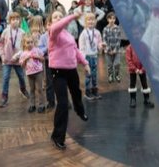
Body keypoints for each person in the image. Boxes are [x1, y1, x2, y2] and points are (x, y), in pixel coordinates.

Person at [49, 8, 89, 151]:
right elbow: (56, 26)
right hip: (58, 72)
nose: (58, 18)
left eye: (61, 16)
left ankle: (80, 110)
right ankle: (57, 136)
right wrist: (72, 16)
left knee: (77, 93)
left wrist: (85, 63)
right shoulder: (53, 33)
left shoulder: (69, 35)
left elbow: (76, 50)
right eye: (55, 17)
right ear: (51, 21)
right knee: (63, 104)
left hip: (71, 70)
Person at [0, 11, 28, 107]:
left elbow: (25, 47)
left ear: (20, 21)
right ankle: (4, 96)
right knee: (6, 78)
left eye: (17, 19)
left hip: (18, 60)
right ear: (9, 21)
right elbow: (0, 44)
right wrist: (2, 55)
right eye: (13, 19)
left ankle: (23, 89)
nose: (15, 21)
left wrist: (20, 56)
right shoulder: (5, 31)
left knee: (21, 77)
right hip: (7, 60)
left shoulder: (23, 33)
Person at [12, 35, 46, 113]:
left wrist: (37, 57)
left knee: (40, 89)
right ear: (24, 44)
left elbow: (43, 59)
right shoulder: (23, 53)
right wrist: (25, 59)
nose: (30, 44)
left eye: (31, 42)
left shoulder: (37, 50)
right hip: (29, 73)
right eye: (28, 42)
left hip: (38, 72)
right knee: (31, 89)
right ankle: (32, 105)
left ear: (33, 43)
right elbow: (22, 65)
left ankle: (41, 105)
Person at [78, 12, 103, 101]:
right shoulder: (83, 34)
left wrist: (101, 46)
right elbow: (81, 47)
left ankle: (94, 90)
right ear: (85, 22)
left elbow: (99, 42)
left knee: (94, 74)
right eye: (89, 20)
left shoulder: (97, 32)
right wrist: (83, 59)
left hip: (94, 56)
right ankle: (88, 92)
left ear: (95, 21)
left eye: (92, 19)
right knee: (88, 75)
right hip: (87, 57)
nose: (91, 21)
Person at [126, 41, 155, 109]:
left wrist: (142, 69)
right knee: (132, 84)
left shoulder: (144, 47)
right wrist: (135, 69)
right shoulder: (129, 48)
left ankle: (146, 99)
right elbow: (129, 60)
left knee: (144, 84)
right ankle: (133, 99)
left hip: (142, 69)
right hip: (133, 70)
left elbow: (146, 59)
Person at [103, 12, 123, 83]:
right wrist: (109, 49)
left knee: (117, 64)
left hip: (116, 50)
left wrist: (115, 50)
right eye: (110, 18)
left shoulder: (117, 28)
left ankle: (117, 75)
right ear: (107, 19)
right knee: (109, 65)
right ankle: (110, 75)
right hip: (108, 51)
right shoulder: (105, 29)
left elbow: (118, 40)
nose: (112, 20)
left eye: (114, 18)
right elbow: (104, 40)